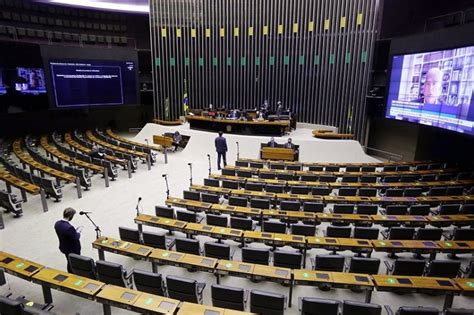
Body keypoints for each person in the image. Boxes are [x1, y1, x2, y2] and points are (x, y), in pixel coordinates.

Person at [54, 207, 82, 273]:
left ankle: (70, 272)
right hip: (73, 249)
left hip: (64, 246)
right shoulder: (69, 228)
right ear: (70, 216)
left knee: (69, 261)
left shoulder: (57, 223)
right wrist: (78, 231)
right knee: (75, 263)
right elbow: (76, 237)